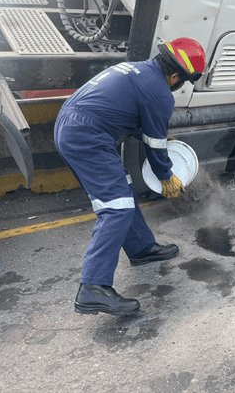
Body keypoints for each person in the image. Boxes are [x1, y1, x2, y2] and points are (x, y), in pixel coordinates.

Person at [54, 37, 206, 316]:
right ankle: (93, 288)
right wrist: (167, 177)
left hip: (72, 125)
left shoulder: (136, 70)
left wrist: (158, 135)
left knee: (122, 191)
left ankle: (140, 248)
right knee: (116, 207)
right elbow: (156, 147)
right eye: (182, 81)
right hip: (87, 136)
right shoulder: (161, 92)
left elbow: (123, 114)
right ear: (175, 76)